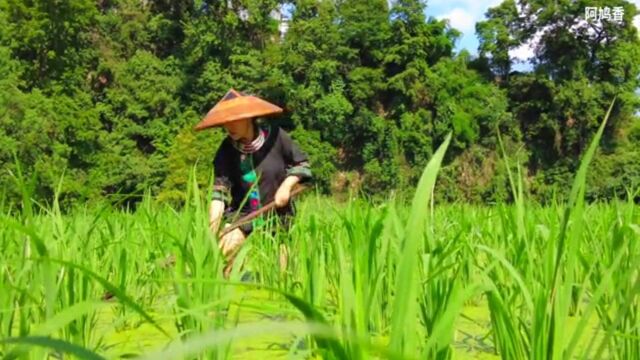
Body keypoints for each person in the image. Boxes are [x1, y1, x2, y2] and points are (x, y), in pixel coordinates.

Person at [194, 89, 312, 277]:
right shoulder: (225, 151)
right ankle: (230, 295)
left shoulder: (276, 137)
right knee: (224, 250)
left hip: (278, 212)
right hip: (244, 214)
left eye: (234, 120)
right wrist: (213, 227)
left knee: (283, 273)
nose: (229, 126)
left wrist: (286, 186)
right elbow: (219, 193)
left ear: (248, 118)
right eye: (225, 121)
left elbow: (302, 165)